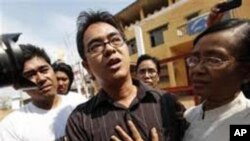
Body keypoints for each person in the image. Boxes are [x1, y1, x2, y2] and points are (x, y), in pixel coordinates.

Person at [65, 10, 188, 141]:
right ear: (87, 66)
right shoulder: (79, 122)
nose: (110, 49)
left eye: (115, 40)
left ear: (127, 48)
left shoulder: (167, 102)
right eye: (96, 46)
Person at [183, 19, 250, 141]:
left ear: (246, 72)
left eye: (214, 60)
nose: (197, 69)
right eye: (194, 59)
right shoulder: (189, 116)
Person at [0, 44, 81, 141]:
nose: (41, 78)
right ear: (19, 85)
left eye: (44, 70)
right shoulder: (11, 127)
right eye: (30, 75)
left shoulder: (79, 102)